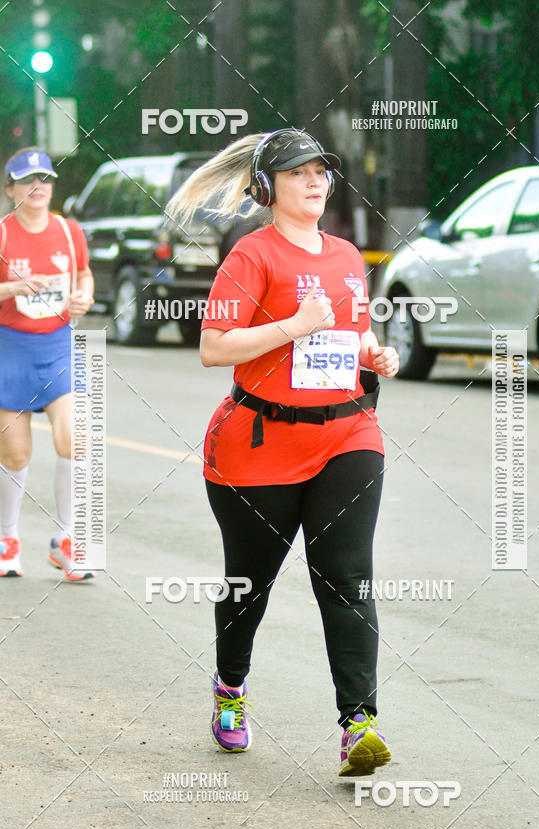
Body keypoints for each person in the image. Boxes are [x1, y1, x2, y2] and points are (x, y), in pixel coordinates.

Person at [167, 128, 400, 776]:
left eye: (322, 170)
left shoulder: (348, 256)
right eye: (299, 173)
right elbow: (215, 345)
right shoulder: (252, 256)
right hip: (259, 445)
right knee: (249, 585)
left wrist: (373, 353)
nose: (316, 181)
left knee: (347, 576)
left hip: (345, 434)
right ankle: (231, 687)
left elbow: (352, 330)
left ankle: (360, 725)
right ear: (269, 189)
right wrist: (293, 326)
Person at [0, 148, 95, 580]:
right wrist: (12, 287)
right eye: (27, 180)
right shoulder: (3, 234)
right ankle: (7, 536)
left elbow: (84, 276)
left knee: (75, 437)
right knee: (16, 452)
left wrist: (84, 297)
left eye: (45, 180)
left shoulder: (68, 230)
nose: (38, 188)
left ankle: (65, 539)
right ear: (10, 189)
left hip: (57, 345)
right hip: (10, 347)